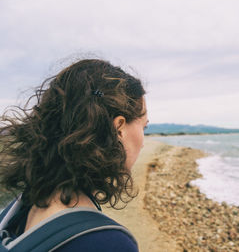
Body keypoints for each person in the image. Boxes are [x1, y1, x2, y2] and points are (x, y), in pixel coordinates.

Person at [0, 59, 148, 251]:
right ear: (119, 128)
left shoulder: (18, 211)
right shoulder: (107, 243)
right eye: (145, 126)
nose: (143, 142)